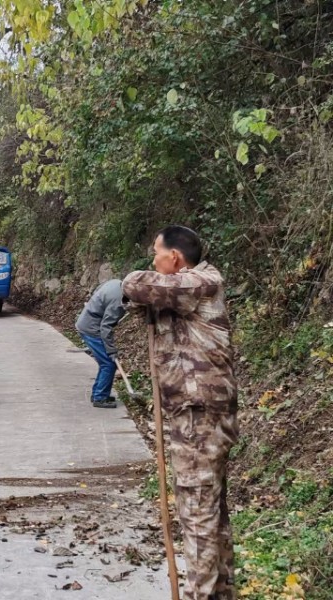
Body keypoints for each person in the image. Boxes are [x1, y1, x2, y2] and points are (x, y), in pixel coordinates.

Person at [122, 225, 238, 600]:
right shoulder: (182, 291)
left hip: (198, 413)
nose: (152, 258)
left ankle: (199, 595)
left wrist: (135, 284)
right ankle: (219, 592)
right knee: (208, 510)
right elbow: (139, 300)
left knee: (198, 511)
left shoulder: (199, 282)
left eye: (156, 252)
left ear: (174, 257)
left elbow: (136, 284)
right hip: (195, 411)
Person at [75, 279, 126, 408]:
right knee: (109, 363)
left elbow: (97, 289)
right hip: (91, 329)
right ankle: (100, 397)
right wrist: (112, 351)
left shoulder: (116, 282)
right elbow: (105, 328)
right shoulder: (118, 303)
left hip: (86, 322)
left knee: (105, 363)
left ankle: (98, 393)